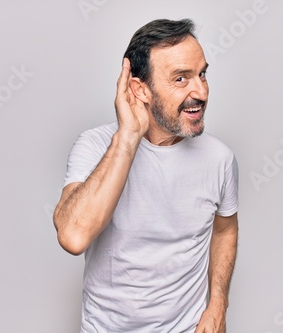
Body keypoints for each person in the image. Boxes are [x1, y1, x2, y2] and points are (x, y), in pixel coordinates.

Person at [53, 18, 239, 333]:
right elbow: (73, 236)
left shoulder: (219, 158)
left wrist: (218, 304)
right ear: (141, 89)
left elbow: (225, 230)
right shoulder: (96, 146)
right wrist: (128, 137)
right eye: (181, 78)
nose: (201, 92)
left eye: (202, 74)